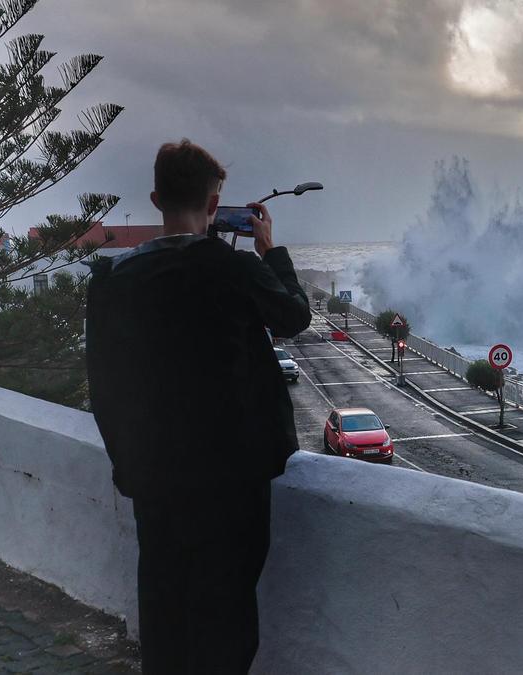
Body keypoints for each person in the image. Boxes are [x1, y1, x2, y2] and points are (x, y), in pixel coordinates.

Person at [86, 139, 311, 673]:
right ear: (214, 207)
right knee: (228, 612)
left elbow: (105, 385)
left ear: (157, 197)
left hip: (156, 475)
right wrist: (271, 252)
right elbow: (294, 318)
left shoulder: (116, 281)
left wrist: (129, 466)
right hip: (233, 479)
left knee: (164, 606)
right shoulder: (233, 269)